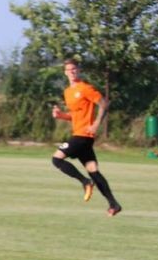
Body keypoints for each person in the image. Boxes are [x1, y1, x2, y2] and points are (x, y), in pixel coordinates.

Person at [51, 58, 122, 216]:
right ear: (65, 72)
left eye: (74, 69)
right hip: (80, 134)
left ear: (79, 70)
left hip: (83, 136)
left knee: (56, 159)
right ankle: (114, 204)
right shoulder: (68, 92)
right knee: (93, 170)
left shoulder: (85, 88)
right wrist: (61, 115)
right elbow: (75, 116)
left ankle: (85, 182)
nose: (72, 72)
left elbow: (104, 104)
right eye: (69, 69)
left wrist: (97, 123)